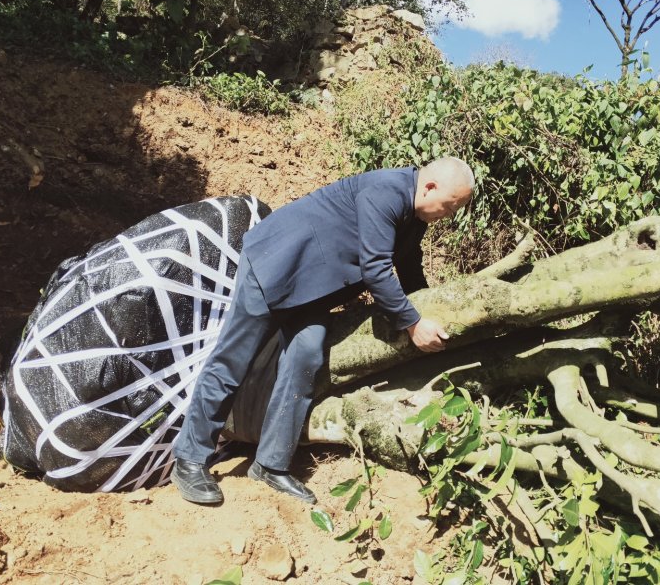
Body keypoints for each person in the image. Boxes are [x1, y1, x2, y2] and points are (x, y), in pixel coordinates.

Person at [171, 157, 475, 505]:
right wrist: (413, 323)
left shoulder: (415, 213)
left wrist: (427, 306)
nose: (449, 215)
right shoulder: (387, 192)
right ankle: (190, 459)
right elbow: (376, 268)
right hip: (276, 264)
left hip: (313, 287)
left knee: (306, 357)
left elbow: (407, 264)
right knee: (232, 360)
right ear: (430, 187)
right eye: (451, 206)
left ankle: (270, 464)